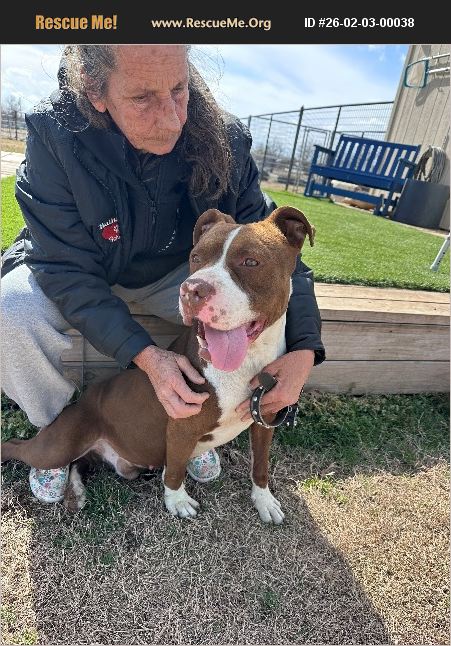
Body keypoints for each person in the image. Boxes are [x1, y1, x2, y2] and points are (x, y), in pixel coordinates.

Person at [1, 45, 325, 503]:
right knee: (12, 311)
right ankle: (56, 432)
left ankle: (195, 427)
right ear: (95, 90)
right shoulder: (54, 133)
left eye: (179, 89)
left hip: (175, 273)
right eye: (142, 98)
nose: (173, 119)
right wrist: (147, 356)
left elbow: (279, 259)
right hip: (78, 265)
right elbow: (65, 270)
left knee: (241, 299)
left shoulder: (224, 138)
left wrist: (305, 350)